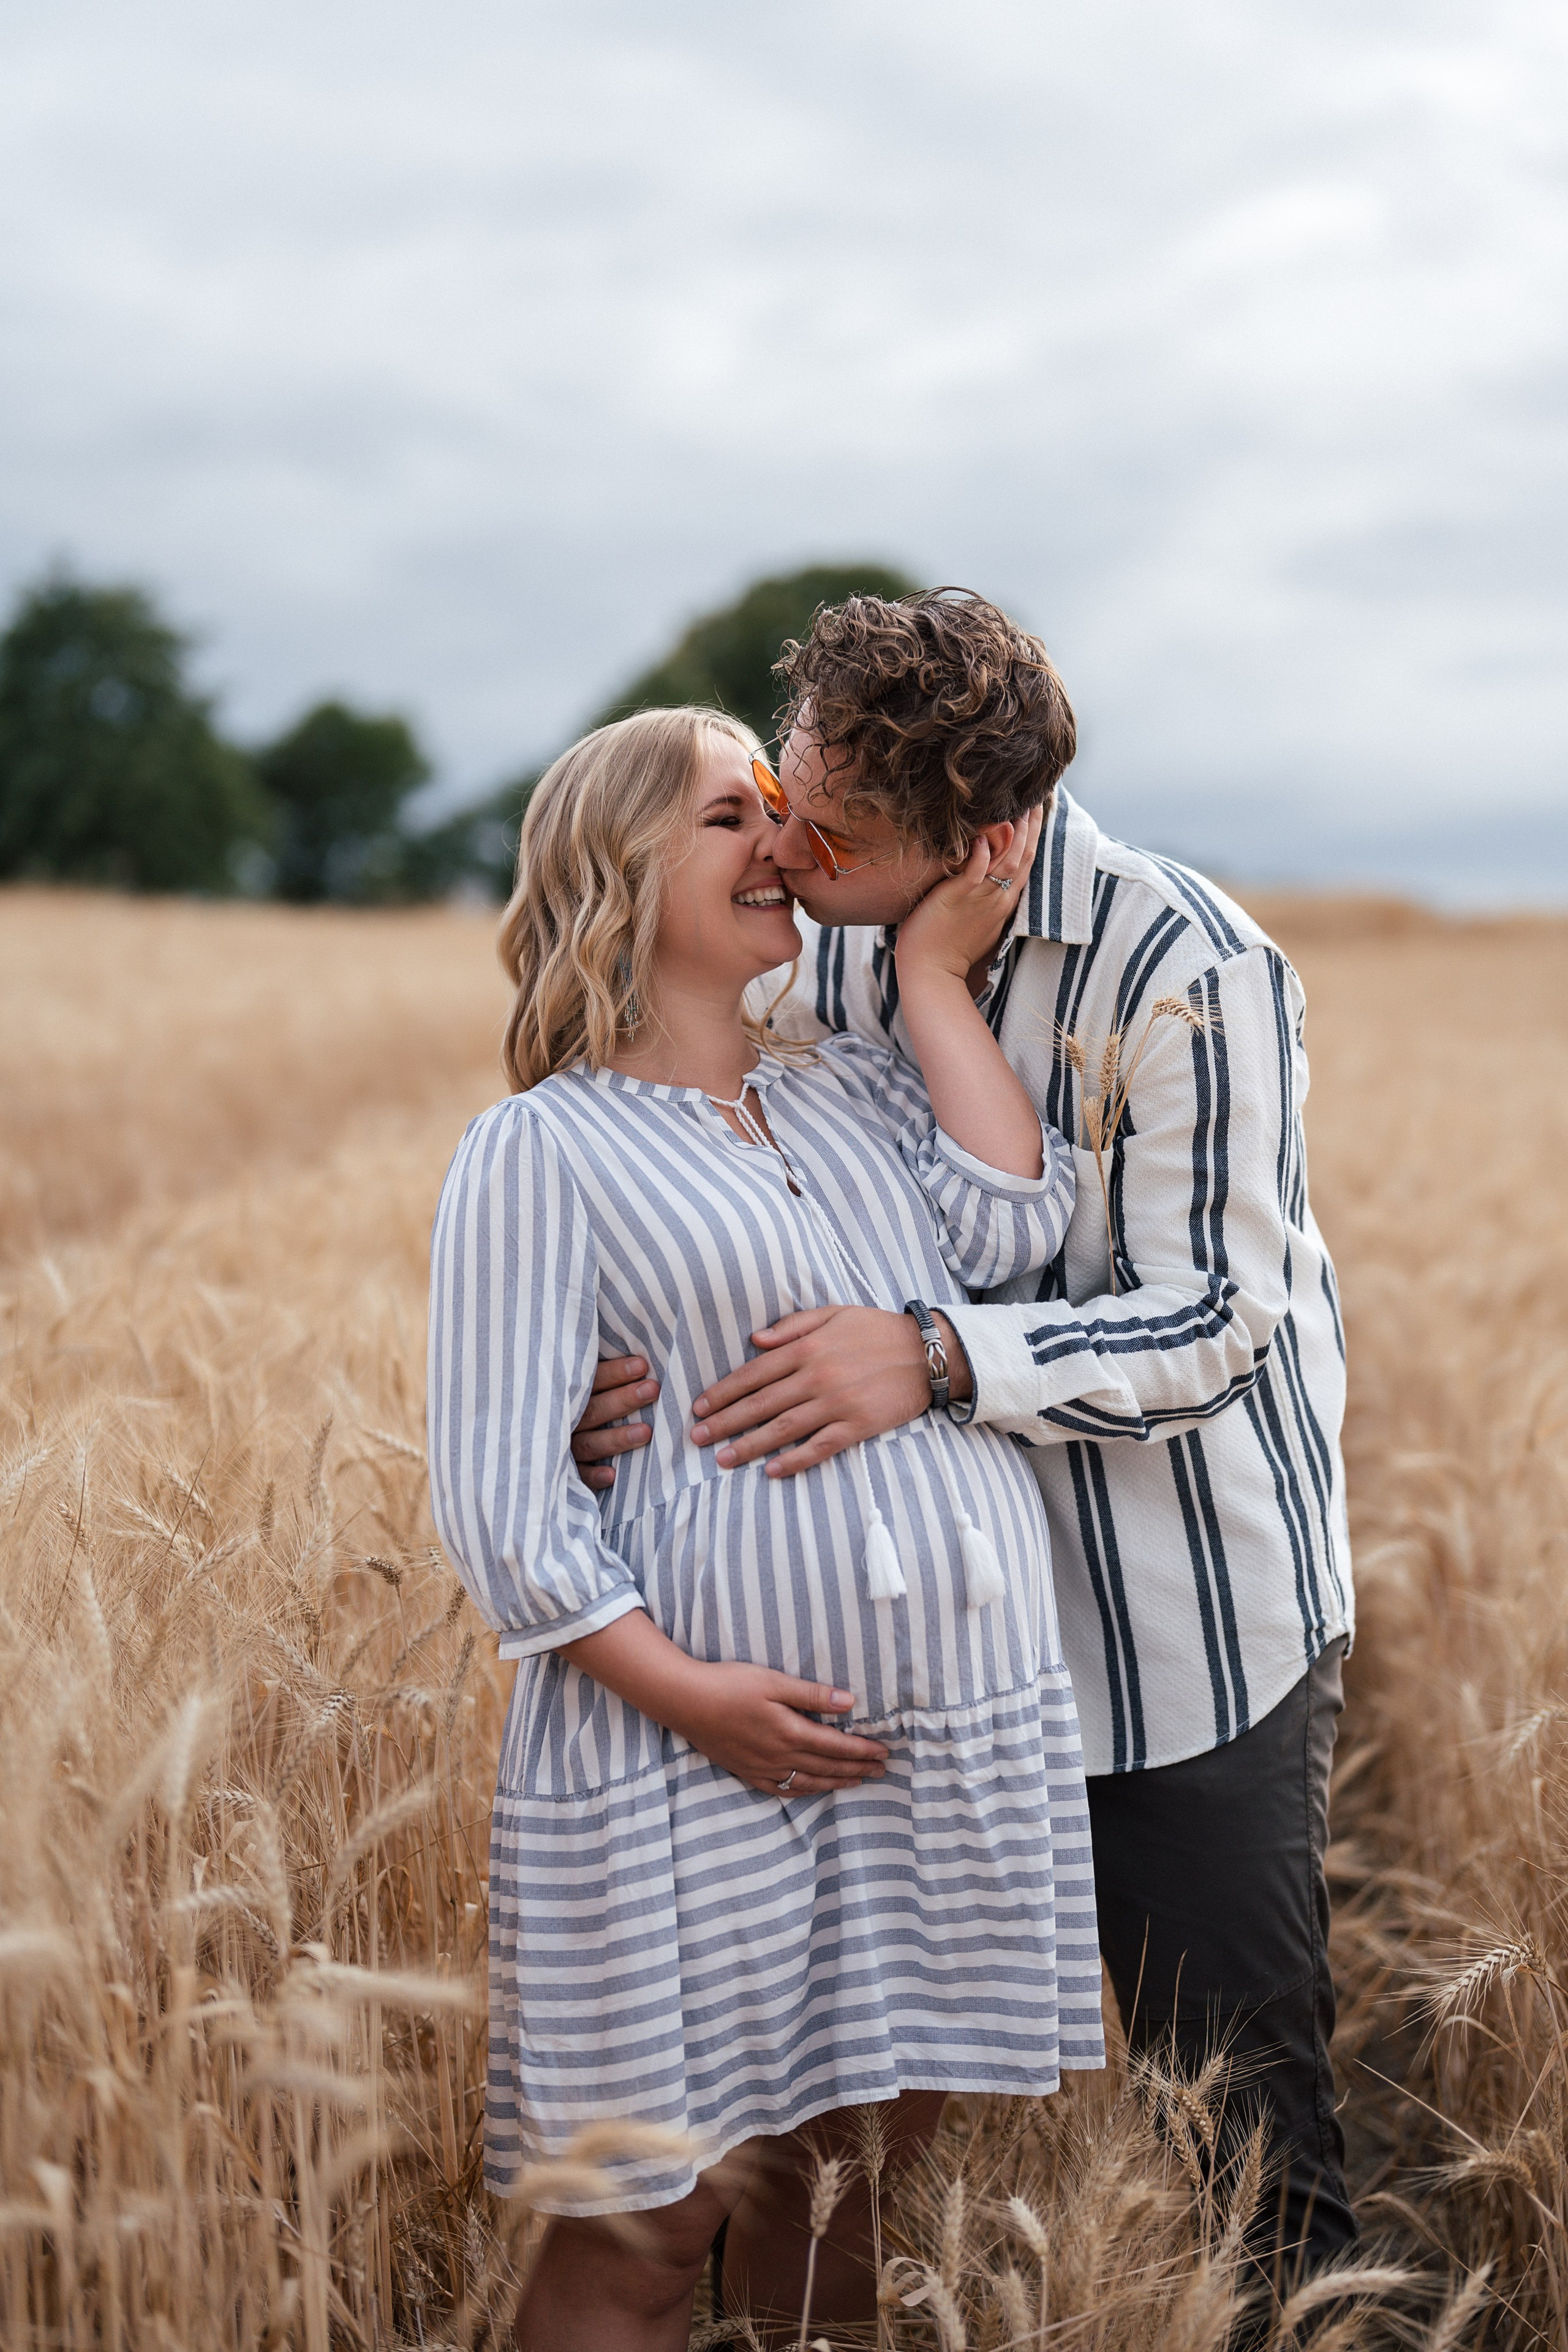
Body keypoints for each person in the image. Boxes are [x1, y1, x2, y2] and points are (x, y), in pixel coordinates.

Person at [572, 591, 1359, 2294]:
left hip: (1175, 1640)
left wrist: (932, 1359)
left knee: (1246, 2133)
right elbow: (708, 1163)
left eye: (827, 833)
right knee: (853, 2121)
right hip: (911, 1652)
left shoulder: (1190, 968)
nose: (780, 846)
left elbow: (1220, 1320)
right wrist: (597, 1362)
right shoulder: (823, 930)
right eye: (781, 792)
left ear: (982, 841)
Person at [427, 704, 1102, 2351]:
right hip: (692, 1762)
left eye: (784, 812)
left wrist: (934, 974)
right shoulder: (542, 1149)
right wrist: (695, 1698)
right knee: (650, 2231)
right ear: (617, 866)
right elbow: (503, 1502)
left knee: (841, 2204)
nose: (782, 844)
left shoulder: (854, 1089)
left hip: (938, 1740)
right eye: (732, 817)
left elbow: (1017, 1218)